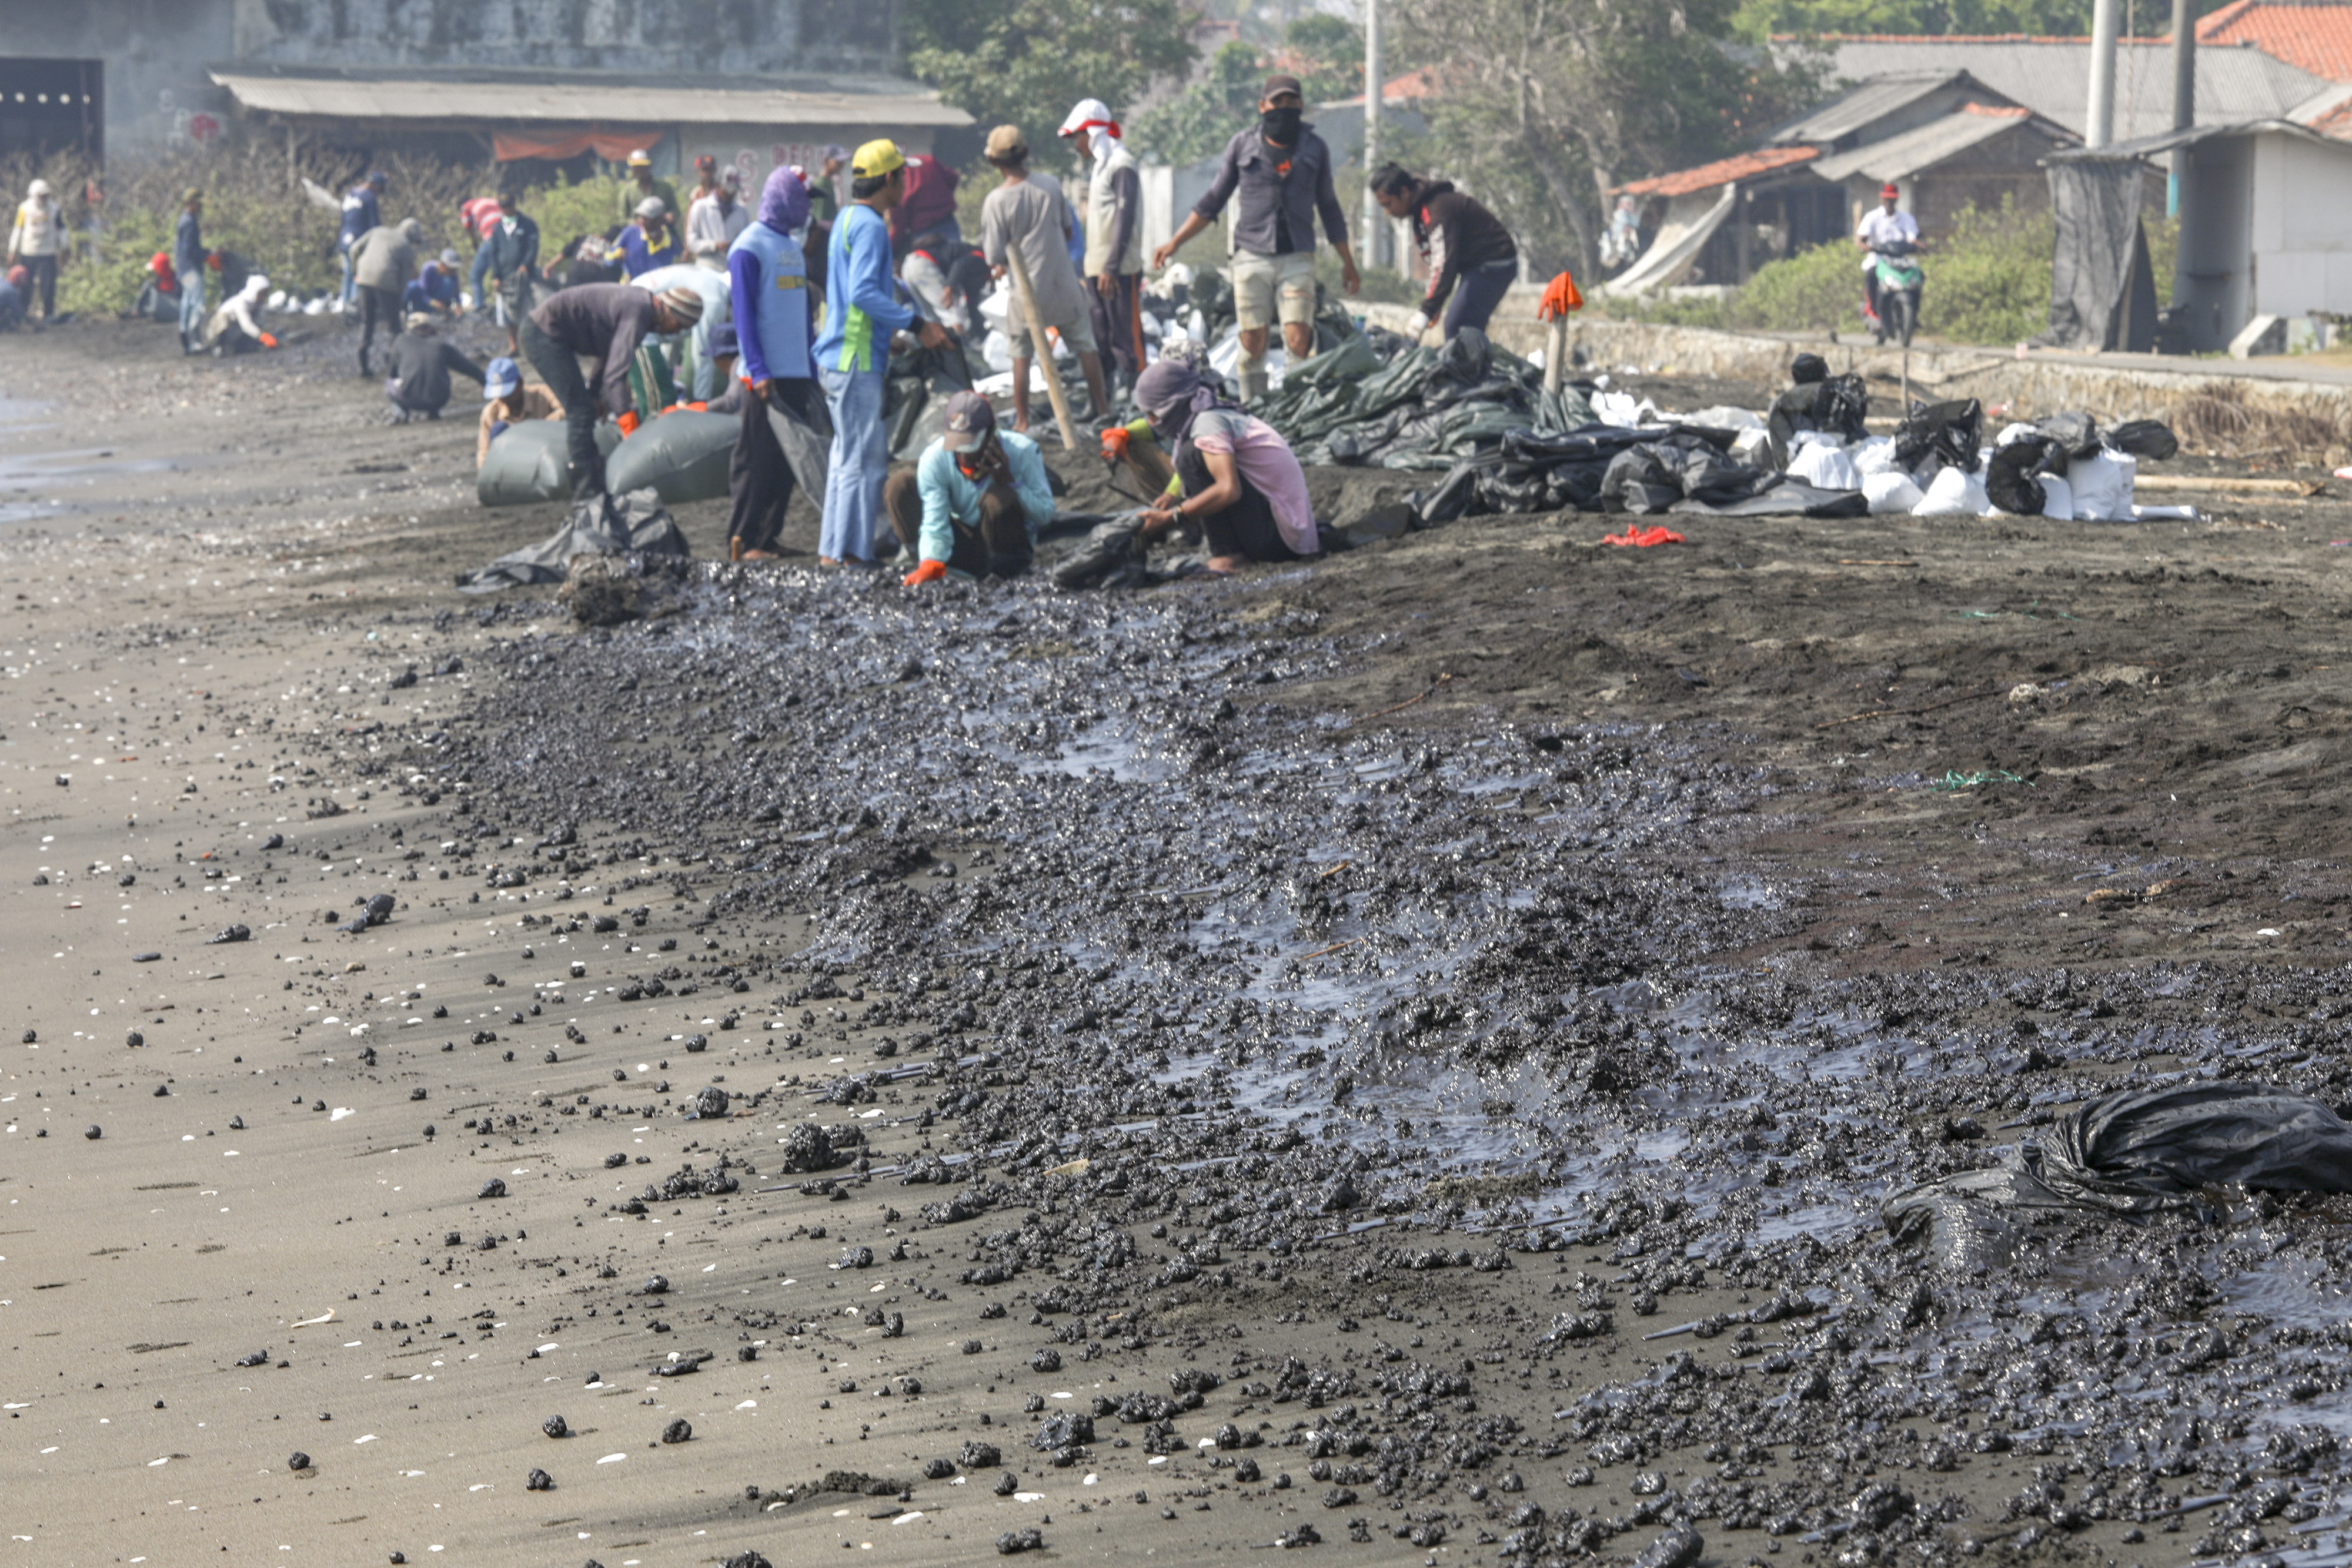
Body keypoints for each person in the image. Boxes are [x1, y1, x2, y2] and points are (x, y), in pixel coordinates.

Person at [1151, 73, 1360, 403]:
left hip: (1297, 256)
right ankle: (1256, 409)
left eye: (1292, 102)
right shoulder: (1242, 145)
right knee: (1252, 339)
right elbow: (1212, 201)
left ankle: (1295, 407)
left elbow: (1330, 208)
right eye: (1278, 102)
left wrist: (1348, 262)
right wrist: (1174, 243)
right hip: (1251, 255)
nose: (1285, 108)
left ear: (1302, 105)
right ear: (1263, 106)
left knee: (1298, 337)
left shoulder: (1315, 148)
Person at [813, 140, 951, 567]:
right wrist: (916, 324)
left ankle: (832, 552)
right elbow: (863, 293)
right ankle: (853, 553)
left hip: (839, 352)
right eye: (902, 175)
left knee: (844, 458)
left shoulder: (845, 219)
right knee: (865, 461)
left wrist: (885, 333)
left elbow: (851, 295)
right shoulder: (872, 226)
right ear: (890, 179)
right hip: (855, 359)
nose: (905, 183)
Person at [1129, 356, 1319, 571]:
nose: (1152, 422)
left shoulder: (1208, 423)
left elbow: (1229, 490)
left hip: (1282, 540)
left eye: (1153, 415)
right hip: (1289, 533)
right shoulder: (1205, 416)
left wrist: (1171, 518)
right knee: (1190, 456)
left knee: (1190, 456)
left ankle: (1229, 556)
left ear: (1173, 404)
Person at [726, 165, 828, 561]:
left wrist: (811, 363)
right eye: (804, 199)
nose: (808, 208)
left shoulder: (789, 246)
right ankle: (743, 539)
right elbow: (745, 317)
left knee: (788, 460)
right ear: (785, 198)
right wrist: (758, 368)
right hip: (763, 375)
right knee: (755, 459)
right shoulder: (748, 247)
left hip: (796, 371)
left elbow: (801, 315)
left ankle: (768, 537)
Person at [980, 125, 1109, 430]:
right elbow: (1067, 231)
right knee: (1085, 346)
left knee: (1021, 356)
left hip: (1026, 295)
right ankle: (1103, 410)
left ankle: (1022, 420)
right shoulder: (1050, 185)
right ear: (1025, 154)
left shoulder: (996, 202)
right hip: (1063, 285)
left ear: (995, 162)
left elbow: (995, 257)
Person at [522, 281, 703, 498]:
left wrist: (594, 394)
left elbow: (608, 355)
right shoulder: (639, 311)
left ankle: (592, 477)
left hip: (552, 334)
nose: (676, 333)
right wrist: (630, 428)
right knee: (580, 411)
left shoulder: (640, 307)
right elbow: (615, 378)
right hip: (543, 333)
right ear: (671, 312)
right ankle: (584, 488)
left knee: (587, 406)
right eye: (680, 326)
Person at [890, 390, 1052, 583]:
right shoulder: (935, 459)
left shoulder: (1023, 451)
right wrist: (930, 561)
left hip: (1006, 549)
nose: (965, 457)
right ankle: (937, 570)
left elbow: (1045, 515)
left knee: (998, 498)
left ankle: (1003, 575)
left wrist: (1010, 482)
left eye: (971, 446)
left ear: (991, 434)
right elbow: (935, 519)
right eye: (958, 447)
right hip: (963, 546)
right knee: (899, 486)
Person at [1371, 163, 1519, 343]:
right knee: (1462, 329)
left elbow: (1444, 265)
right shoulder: (1422, 209)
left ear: (1404, 192)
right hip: (1475, 267)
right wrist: (1435, 303)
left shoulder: (1437, 210)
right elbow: (1441, 262)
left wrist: (1425, 312)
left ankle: (1472, 370)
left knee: (1459, 326)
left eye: (1389, 204)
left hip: (1494, 264)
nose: (1388, 211)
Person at [1060, 98, 1147, 390]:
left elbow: (1124, 217)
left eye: (1078, 137)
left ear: (1092, 132)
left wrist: (1111, 266)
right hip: (1098, 268)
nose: (1077, 145)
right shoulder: (1100, 167)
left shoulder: (1122, 164)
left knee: (1127, 337)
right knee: (1102, 333)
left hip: (1120, 269)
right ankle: (1108, 399)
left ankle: (1136, 398)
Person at [350, 216, 423, 377]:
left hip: (364, 278)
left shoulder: (377, 231)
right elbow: (404, 276)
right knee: (394, 327)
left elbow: (354, 249)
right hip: (387, 282)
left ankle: (363, 361)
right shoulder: (406, 247)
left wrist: (355, 271)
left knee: (367, 321)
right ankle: (393, 364)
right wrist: (399, 297)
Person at [383, 313, 488, 422]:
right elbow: (467, 367)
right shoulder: (441, 345)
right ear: (430, 327)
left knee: (389, 383)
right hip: (439, 399)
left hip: (409, 399)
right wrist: (484, 381)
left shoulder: (401, 340)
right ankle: (433, 412)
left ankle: (401, 413)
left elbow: (392, 373)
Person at [472, 192, 540, 352]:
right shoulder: (497, 229)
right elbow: (493, 253)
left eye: (509, 205)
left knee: (528, 310)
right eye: (504, 207)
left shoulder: (528, 224)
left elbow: (532, 247)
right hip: (504, 276)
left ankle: (531, 343)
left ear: (514, 205)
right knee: (507, 313)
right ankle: (513, 345)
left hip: (524, 276)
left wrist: (525, 265)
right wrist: (495, 275)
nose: (507, 209)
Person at [477, 355, 562, 466]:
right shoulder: (491, 413)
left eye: (508, 393)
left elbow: (569, 412)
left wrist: (532, 431)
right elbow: (484, 456)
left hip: (548, 459)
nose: (504, 399)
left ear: (520, 383)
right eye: (499, 395)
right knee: (499, 430)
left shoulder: (543, 395)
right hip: (513, 468)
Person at [1856, 182, 1918, 327]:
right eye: (1887, 199)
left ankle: (1914, 313)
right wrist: (1864, 246)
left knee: (1918, 276)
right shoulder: (1872, 217)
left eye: (1893, 199)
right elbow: (1862, 237)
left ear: (1897, 199)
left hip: (1900, 261)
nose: (1890, 202)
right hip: (1878, 260)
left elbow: (1912, 237)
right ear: (1882, 199)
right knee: (1871, 275)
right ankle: (1873, 311)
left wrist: (1920, 245)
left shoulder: (1905, 218)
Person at [7, 178, 61, 323]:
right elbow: (18, 229)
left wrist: (65, 247)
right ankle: (23, 312)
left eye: (46, 195)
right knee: (26, 284)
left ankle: (48, 313)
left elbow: (62, 230)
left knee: (48, 284)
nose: (43, 198)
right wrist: (12, 250)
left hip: (48, 252)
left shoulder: (54, 209)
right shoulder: (24, 209)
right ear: (33, 195)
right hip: (28, 252)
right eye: (41, 195)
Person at [889, 151, 961, 253]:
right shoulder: (928, 161)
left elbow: (899, 225)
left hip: (923, 234)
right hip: (948, 223)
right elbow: (953, 178)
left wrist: (889, 248)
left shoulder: (895, 180)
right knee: (955, 262)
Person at [199, 272, 276, 355]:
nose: (264, 297)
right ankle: (218, 347)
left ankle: (238, 346)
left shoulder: (256, 306)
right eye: (262, 294)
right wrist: (263, 337)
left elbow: (259, 323)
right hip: (218, 332)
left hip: (235, 332)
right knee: (223, 317)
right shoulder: (240, 302)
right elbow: (246, 325)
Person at [338, 172, 385, 306]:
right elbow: (374, 224)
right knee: (357, 274)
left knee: (348, 273)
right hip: (360, 241)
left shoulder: (350, 194)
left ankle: (344, 304)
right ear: (375, 185)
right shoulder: (369, 197)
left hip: (344, 239)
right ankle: (353, 305)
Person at [688, 167, 749, 272]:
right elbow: (691, 243)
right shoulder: (700, 207)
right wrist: (714, 246)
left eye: (734, 191)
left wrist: (735, 246)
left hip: (732, 270)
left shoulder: (742, 211)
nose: (731, 194)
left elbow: (747, 243)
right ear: (716, 186)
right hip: (706, 270)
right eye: (727, 190)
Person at [175, 188, 210, 355]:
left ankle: (185, 339)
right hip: (191, 270)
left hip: (183, 269)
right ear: (191, 203)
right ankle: (195, 341)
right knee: (197, 304)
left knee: (187, 303)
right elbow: (190, 250)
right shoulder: (189, 223)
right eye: (199, 203)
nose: (201, 206)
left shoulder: (183, 220)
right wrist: (209, 254)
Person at [610, 198, 680, 278]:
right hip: (630, 288)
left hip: (659, 289)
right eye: (640, 216)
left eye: (646, 218)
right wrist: (618, 254)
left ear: (659, 220)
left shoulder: (670, 242)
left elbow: (675, 270)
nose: (641, 220)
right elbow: (607, 257)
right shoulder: (630, 233)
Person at [617, 149, 682, 228]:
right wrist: (635, 222)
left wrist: (670, 216)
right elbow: (621, 219)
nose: (639, 170)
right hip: (636, 232)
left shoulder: (665, 188)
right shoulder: (627, 191)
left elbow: (676, 211)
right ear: (632, 170)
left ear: (649, 167)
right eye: (636, 168)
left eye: (642, 167)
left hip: (662, 230)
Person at [404, 249, 463, 317]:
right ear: (442, 265)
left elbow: (456, 294)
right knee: (412, 286)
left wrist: (458, 305)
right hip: (424, 304)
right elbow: (422, 293)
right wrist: (434, 303)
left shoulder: (452, 276)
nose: (453, 271)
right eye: (451, 268)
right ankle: (403, 311)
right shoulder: (429, 269)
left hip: (441, 306)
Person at [807, 146, 847, 228]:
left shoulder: (828, 183)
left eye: (843, 162)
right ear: (826, 161)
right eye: (838, 162)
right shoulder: (822, 184)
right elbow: (820, 221)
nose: (842, 165)